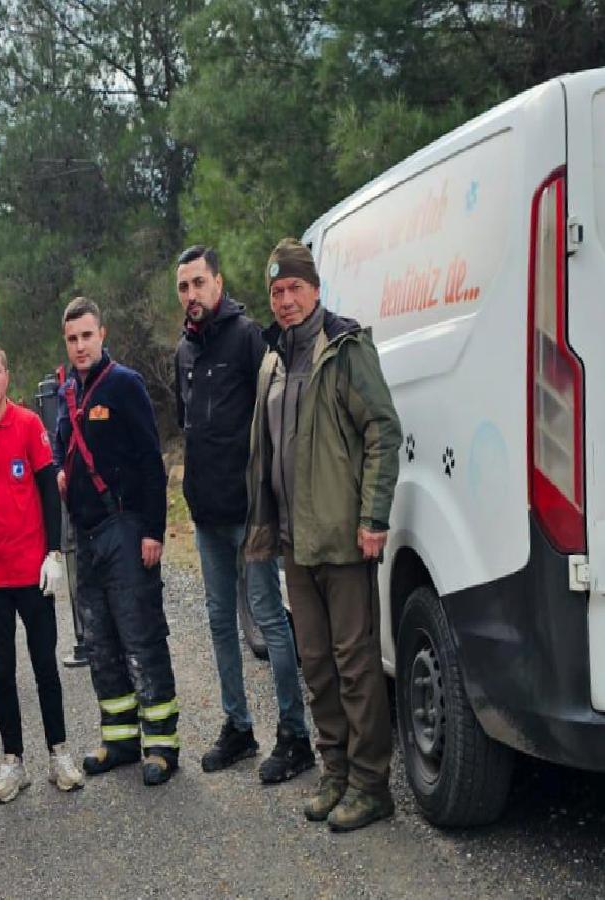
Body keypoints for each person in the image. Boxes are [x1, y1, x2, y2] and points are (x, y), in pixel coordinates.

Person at [244, 238, 403, 832]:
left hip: (343, 540)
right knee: (316, 665)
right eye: (276, 291)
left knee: (356, 665)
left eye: (294, 288)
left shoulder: (345, 350)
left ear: (315, 289)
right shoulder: (273, 361)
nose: (285, 300)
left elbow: (383, 431)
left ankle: (370, 785)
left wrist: (373, 518)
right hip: (295, 543)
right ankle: (335, 773)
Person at [173, 245, 316, 784]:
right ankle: (239, 727)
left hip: (251, 512)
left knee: (270, 619)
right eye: (183, 287)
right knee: (219, 622)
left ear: (219, 283)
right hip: (207, 517)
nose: (192, 295)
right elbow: (190, 427)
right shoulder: (184, 352)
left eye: (199, 283)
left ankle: (294, 734)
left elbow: (276, 420)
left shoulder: (249, 338)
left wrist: (274, 499)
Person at [53, 298, 181, 787]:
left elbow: (151, 461)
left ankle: (162, 745)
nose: (80, 346)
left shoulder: (125, 384)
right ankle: (121, 739)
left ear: (102, 334)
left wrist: (153, 531)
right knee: (101, 643)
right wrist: (62, 472)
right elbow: (63, 448)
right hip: (86, 538)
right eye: (72, 339)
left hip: (125, 530)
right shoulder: (67, 392)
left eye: (87, 336)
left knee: (141, 638)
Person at [0, 342, 84, 804]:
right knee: (2, 673)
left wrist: (53, 553)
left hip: (33, 573)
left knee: (45, 665)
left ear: (7, 377)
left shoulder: (28, 425)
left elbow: (49, 492)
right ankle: (13, 761)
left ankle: (59, 753)